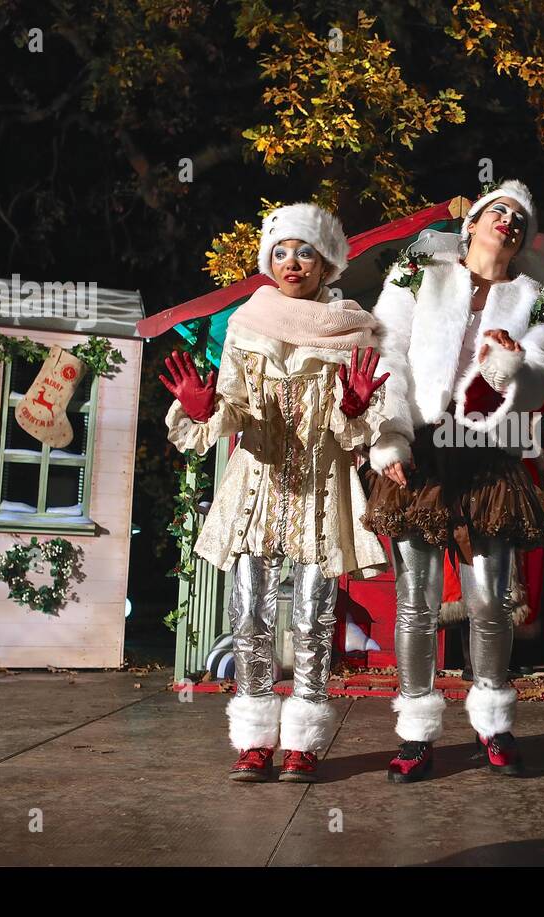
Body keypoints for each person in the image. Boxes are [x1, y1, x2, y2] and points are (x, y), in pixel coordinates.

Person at [161, 203, 397, 783]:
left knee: (316, 616)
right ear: (270, 261)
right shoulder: (248, 325)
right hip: (258, 486)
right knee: (248, 613)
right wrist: (204, 409)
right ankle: (255, 740)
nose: (293, 262)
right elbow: (233, 405)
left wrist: (354, 408)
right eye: (282, 251)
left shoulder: (352, 331)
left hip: (321, 489)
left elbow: (356, 432)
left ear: (326, 264)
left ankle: (303, 742)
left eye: (305, 251)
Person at [363, 179, 544, 782]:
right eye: (496, 211)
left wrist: (507, 366)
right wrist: (388, 435)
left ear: (523, 239)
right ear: (472, 223)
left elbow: (543, 370)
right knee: (415, 603)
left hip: (486, 450)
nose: (506, 221)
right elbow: (385, 350)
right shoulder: (417, 274)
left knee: (488, 601)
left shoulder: (539, 297)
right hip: (420, 449)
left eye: (518, 219)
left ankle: (493, 723)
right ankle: (417, 735)